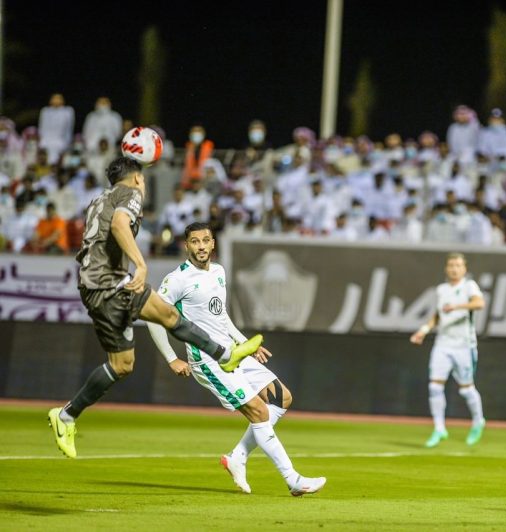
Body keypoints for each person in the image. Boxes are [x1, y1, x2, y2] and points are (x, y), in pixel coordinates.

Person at [47, 157, 263, 459]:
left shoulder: (99, 199)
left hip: (92, 286)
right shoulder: (130, 194)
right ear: (137, 179)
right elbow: (121, 224)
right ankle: (225, 355)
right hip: (110, 283)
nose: (144, 185)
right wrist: (140, 263)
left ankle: (66, 416)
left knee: (122, 365)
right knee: (169, 314)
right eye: (144, 180)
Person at [146, 222, 326, 496]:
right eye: (195, 241)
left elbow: (221, 317)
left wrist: (245, 344)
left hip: (232, 352)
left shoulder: (219, 271)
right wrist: (171, 358)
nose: (201, 246)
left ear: (213, 243)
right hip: (207, 359)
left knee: (282, 397)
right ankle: (293, 480)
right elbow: (153, 316)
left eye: (206, 240)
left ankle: (237, 457)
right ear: (187, 246)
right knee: (259, 411)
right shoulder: (177, 279)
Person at [410, 253, 486, 448]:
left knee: (466, 390)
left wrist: (458, 306)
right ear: (446, 268)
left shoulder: (469, 286)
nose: (454, 268)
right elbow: (438, 314)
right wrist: (424, 330)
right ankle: (439, 428)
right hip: (442, 344)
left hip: (464, 346)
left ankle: (478, 421)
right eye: (451, 265)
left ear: (464, 269)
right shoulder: (442, 290)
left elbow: (479, 303)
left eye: (458, 265)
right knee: (434, 386)